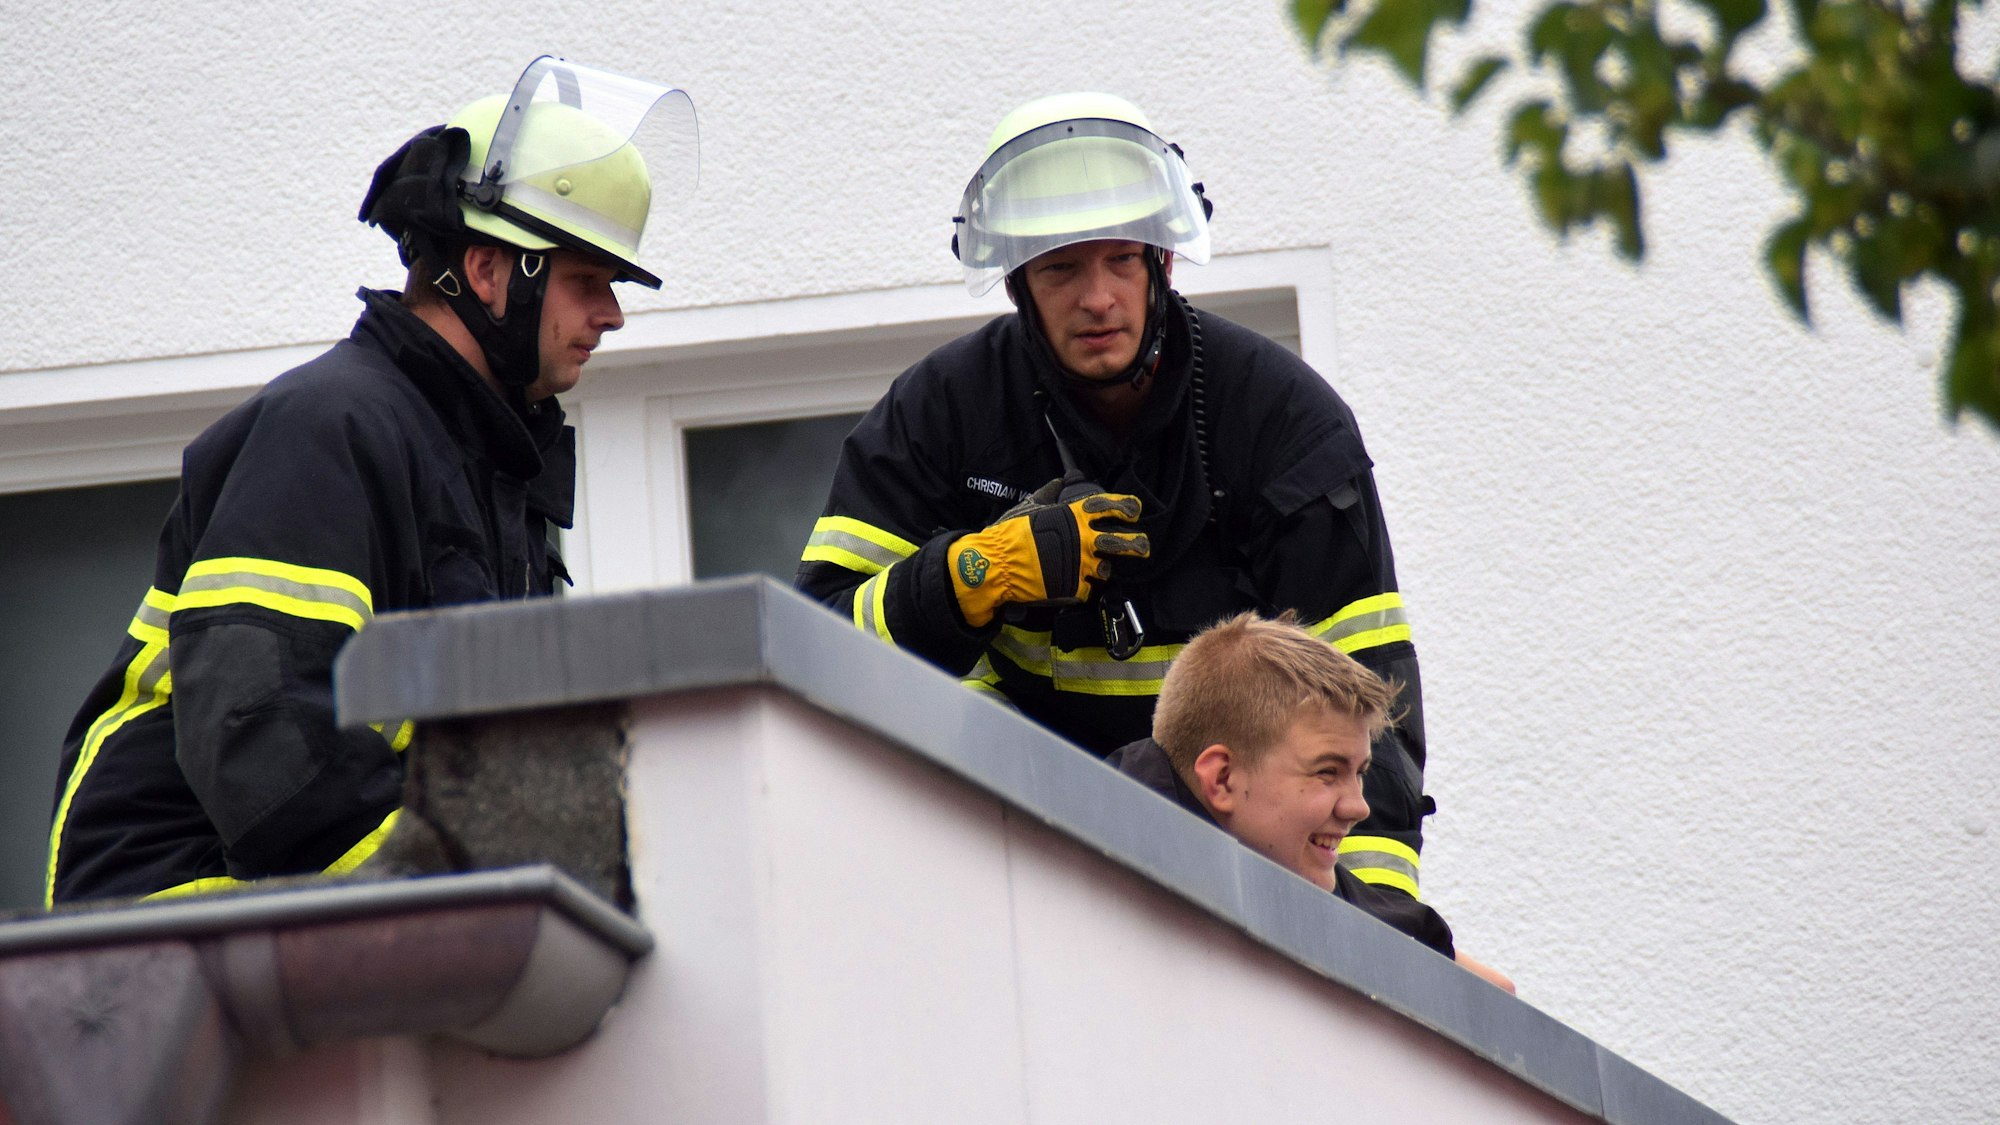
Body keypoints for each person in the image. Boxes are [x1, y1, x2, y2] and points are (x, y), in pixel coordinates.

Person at [44, 58, 696, 907]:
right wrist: (487, 877)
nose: (611, 315)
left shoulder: (485, 468)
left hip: (317, 915)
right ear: (491, 270)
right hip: (176, 920)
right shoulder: (332, 426)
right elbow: (267, 738)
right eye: (587, 282)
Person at [796, 92, 1435, 900]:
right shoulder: (940, 413)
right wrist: (970, 578)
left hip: (1234, 873)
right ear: (1018, 284)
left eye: (1120, 261)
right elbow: (814, 642)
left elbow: (1368, 707)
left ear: (1162, 265)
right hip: (1005, 855)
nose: (1096, 298)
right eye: (1061, 268)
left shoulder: (1281, 423)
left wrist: (1377, 926)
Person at [1107, 612, 1511, 989]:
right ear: (1222, 778)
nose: (1359, 808)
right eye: (1327, 772)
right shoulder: (1080, 866)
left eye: (1361, 773)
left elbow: (1494, 994)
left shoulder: (1313, 889)